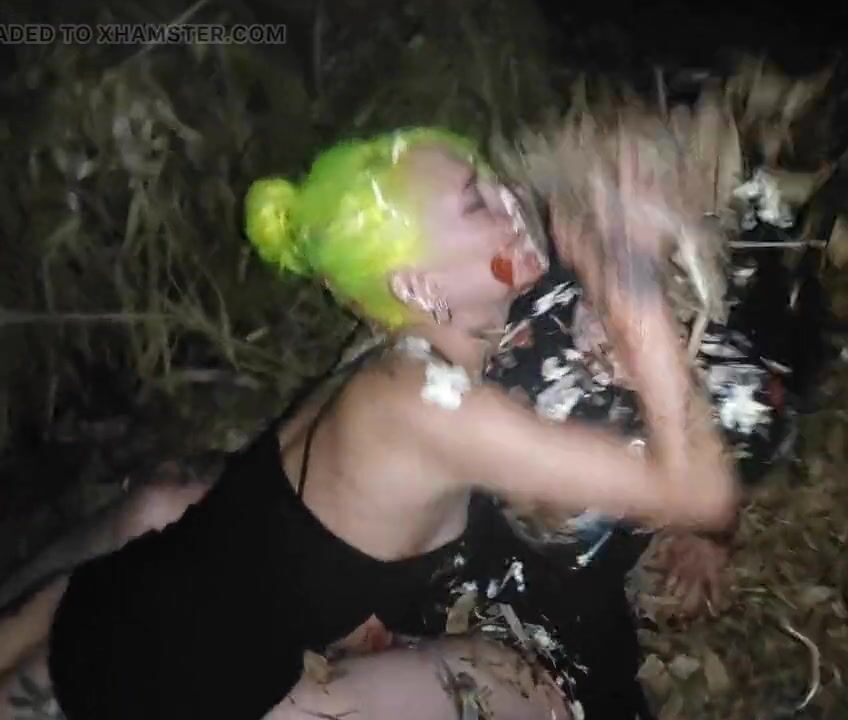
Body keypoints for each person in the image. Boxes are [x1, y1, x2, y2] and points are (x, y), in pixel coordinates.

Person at [0, 126, 738, 720]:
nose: (511, 201)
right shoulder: (428, 408)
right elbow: (700, 493)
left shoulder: (401, 358)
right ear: (417, 285)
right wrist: (636, 298)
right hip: (155, 689)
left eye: (491, 181)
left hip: (112, 608)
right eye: (477, 204)